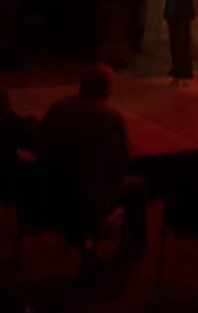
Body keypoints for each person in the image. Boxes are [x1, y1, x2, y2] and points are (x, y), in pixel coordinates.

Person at [33, 64, 146, 269]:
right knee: (138, 186)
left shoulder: (56, 110)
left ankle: (86, 240)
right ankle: (131, 248)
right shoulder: (110, 118)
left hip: (49, 189)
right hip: (86, 193)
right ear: (106, 88)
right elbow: (120, 163)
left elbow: (41, 147)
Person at [163, 0, 195, 86]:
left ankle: (186, 76)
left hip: (183, 15)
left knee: (184, 45)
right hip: (171, 14)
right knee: (174, 45)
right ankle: (176, 75)